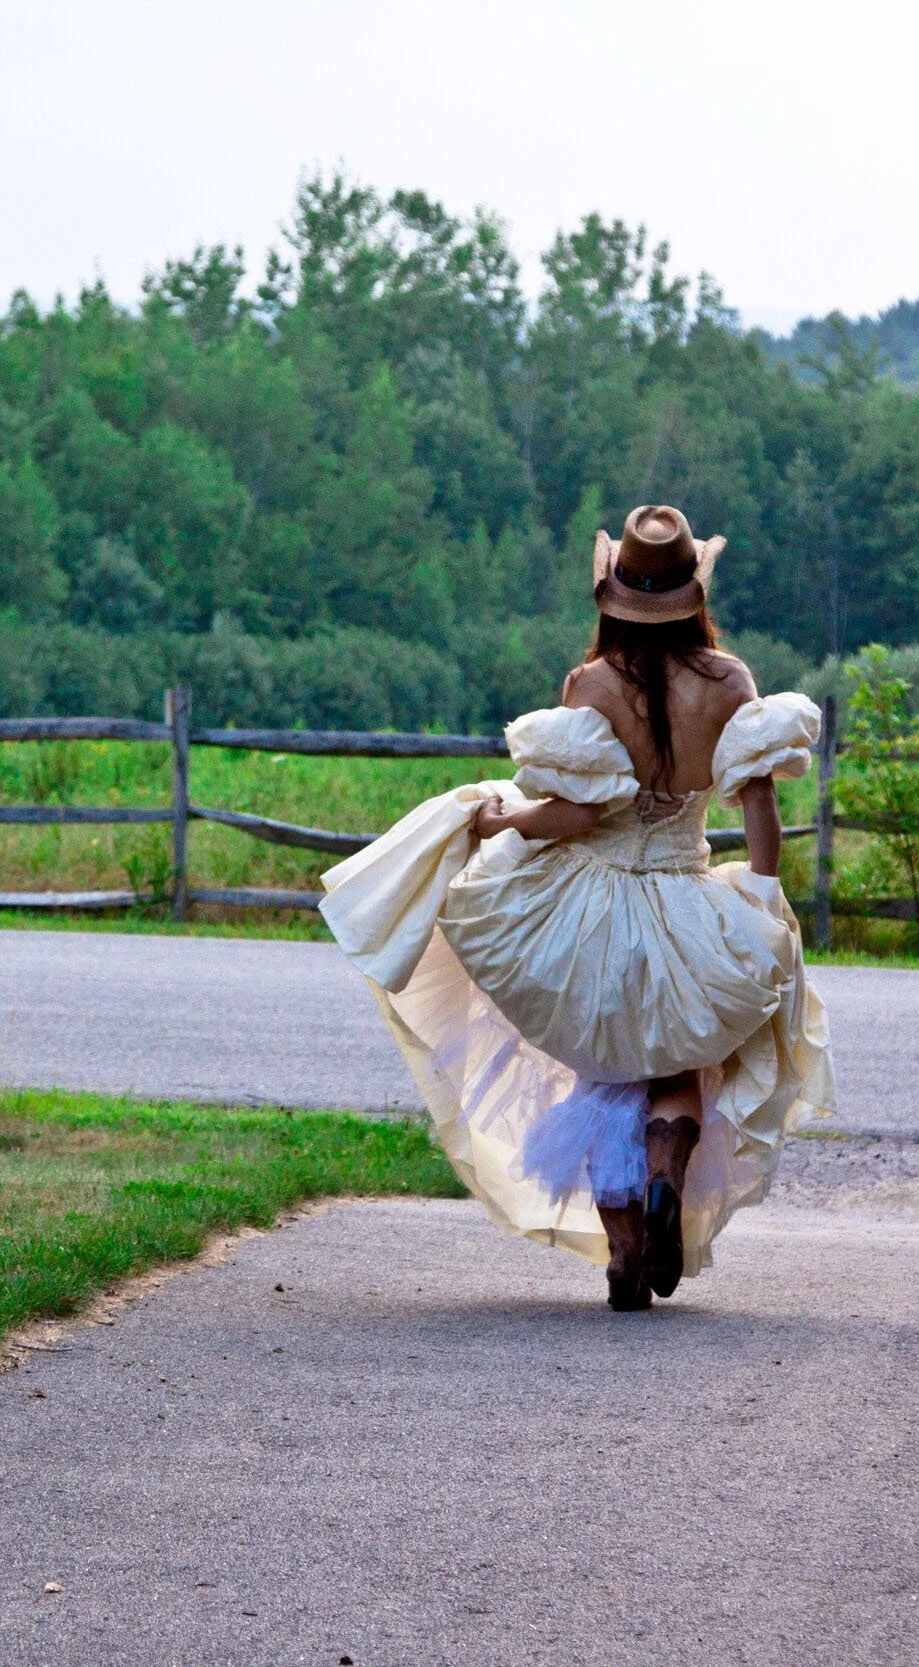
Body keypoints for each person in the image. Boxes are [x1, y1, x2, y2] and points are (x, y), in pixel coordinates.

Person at [320, 505, 834, 1311]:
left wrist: (501, 822)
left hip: (591, 907)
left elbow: (577, 815)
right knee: (670, 1063)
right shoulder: (730, 683)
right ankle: (666, 1170)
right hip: (685, 895)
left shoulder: (591, 686)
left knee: (603, 1066)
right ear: (693, 590)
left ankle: (625, 1246)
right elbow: (757, 800)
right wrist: (762, 897)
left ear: (614, 596)